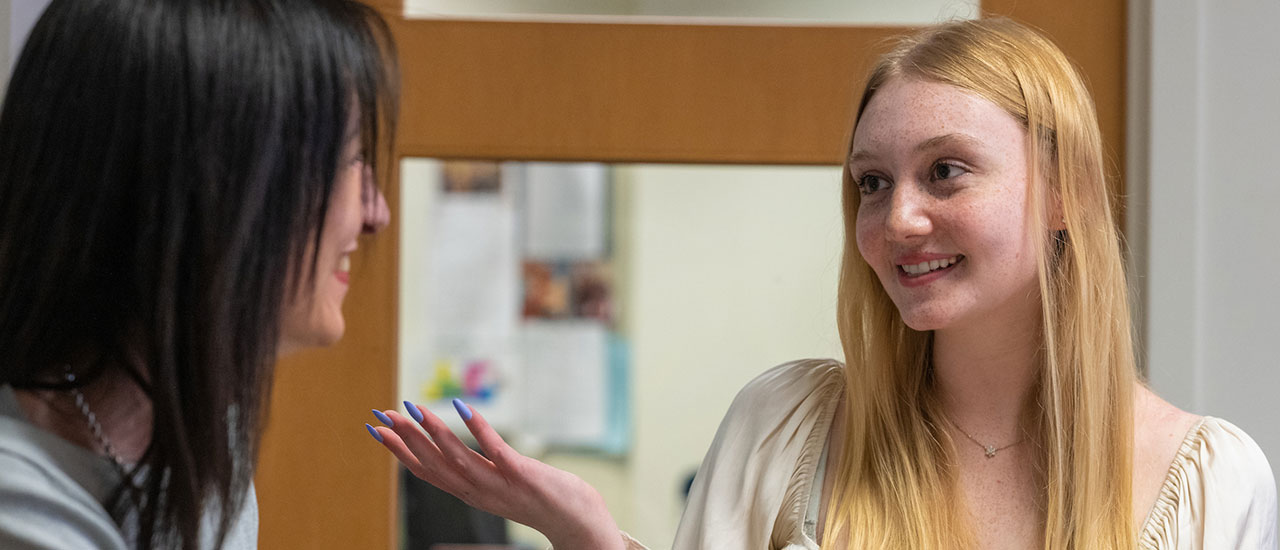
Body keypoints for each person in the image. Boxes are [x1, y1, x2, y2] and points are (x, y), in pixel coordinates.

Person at [368, 17, 1277, 550]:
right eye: (871, 183)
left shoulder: (1211, 485)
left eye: (947, 171)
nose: (897, 221)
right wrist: (597, 541)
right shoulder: (785, 427)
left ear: (1064, 193)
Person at [0, 0, 396, 548]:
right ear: (216, 189)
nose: (376, 212)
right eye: (350, 161)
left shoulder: (196, 435)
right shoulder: (19, 511)